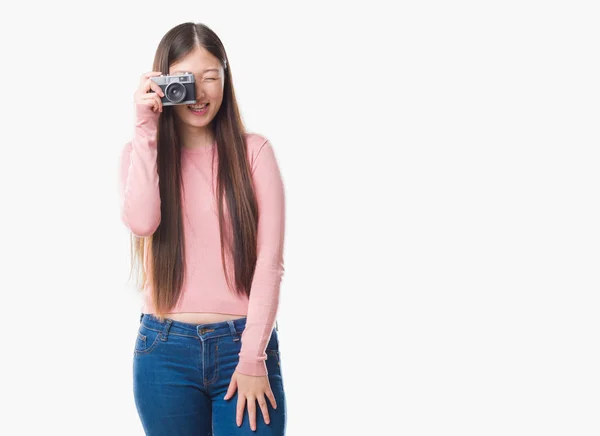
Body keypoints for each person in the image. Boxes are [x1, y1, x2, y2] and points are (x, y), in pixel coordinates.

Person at [117, 22, 287, 435]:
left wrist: (252, 358)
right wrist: (145, 127)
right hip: (164, 351)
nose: (199, 92)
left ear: (226, 79)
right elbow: (142, 222)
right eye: (185, 79)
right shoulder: (141, 153)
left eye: (211, 77)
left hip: (243, 347)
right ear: (163, 82)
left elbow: (269, 264)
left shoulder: (254, 153)